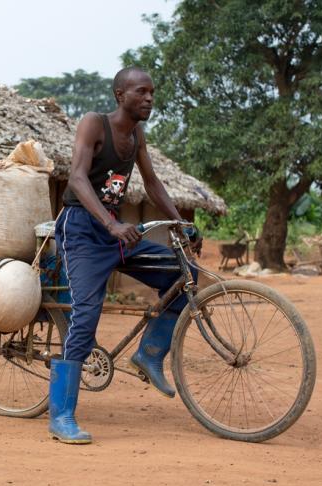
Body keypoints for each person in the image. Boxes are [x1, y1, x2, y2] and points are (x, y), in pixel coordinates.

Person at [48, 67, 201, 444]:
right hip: (82, 229)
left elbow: (151, 182)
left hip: (114, 232)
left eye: (152, 92)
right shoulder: (93, 124)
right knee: (85, 315)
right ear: (120, 95)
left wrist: (178, 222)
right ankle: (62, 415)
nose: (149, 98)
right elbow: (77, 178)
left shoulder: (136, 135)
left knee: (182, 275)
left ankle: (149, 355)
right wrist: (111, 224)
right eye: (141, 92)